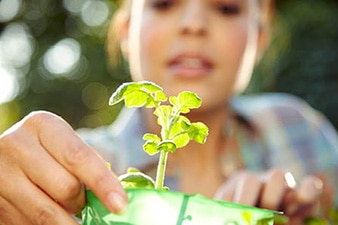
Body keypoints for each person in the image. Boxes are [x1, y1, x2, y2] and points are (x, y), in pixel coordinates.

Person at [0, 0, 337, 224]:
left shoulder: (300, 132)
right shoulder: (69, 173)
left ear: (259, 40)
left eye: (226, 8)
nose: (193, 24)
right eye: (163, 3)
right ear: (125, 31)